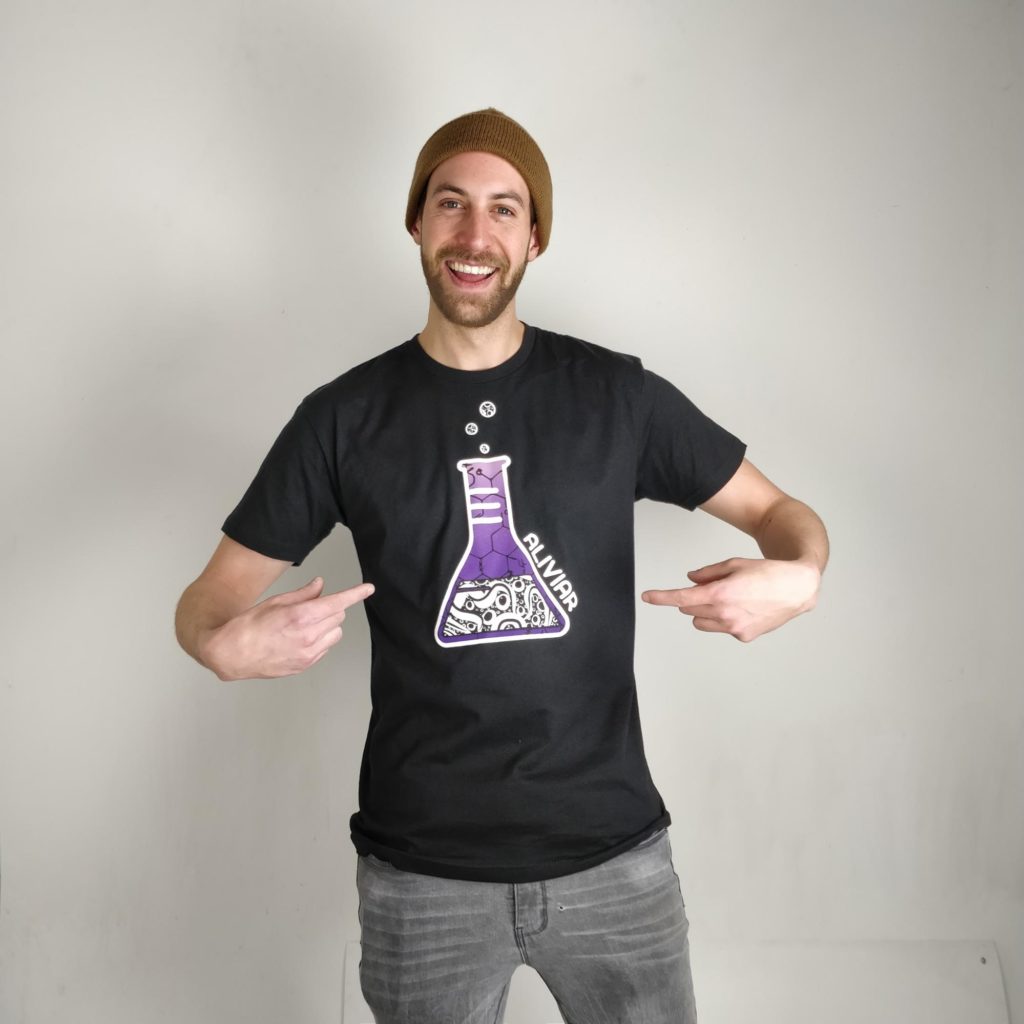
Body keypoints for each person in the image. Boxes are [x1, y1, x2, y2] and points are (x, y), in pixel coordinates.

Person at [175, 108, 828, 1024]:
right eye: (450, 204)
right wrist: (219, 645)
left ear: (534, 237)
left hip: (615, 862)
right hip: (422, 883)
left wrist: (801, 574)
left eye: (504, 209)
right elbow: (207, 600)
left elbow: (780, 515)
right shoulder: (343, 419)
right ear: (417, 222)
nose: (475, 234)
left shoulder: (615, 396)